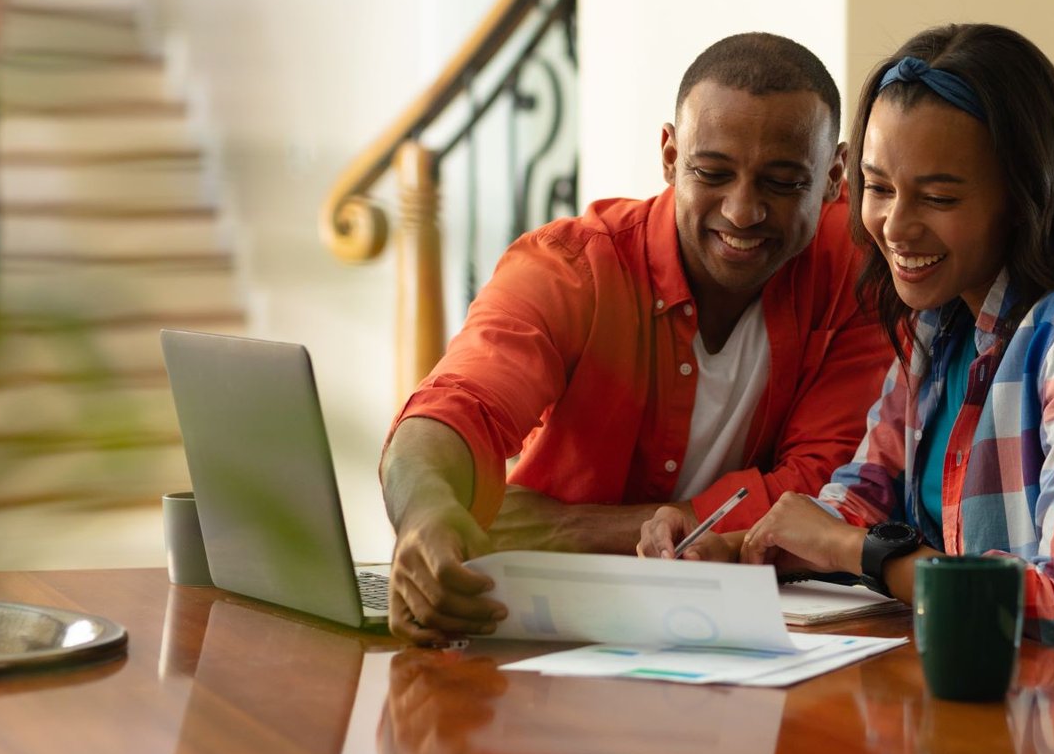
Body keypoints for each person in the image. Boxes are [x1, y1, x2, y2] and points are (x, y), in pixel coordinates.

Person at [639, 23, 1054, 690]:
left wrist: (860, 551)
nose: (894, 225)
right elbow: (861, 497)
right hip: (979, 724)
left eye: (939, 197)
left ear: (1025, 197)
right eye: (878, 187)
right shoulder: (935, 325)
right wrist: (738, 549)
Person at [383, 32, 893, 645]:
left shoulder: (858, 268)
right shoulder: (573, 268)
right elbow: (458, 404)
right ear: (670, 157)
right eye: (712, 172)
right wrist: (426, 513)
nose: (742, 211)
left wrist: (572, 530)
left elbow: (819, 489)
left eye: (782, 183)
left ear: (836, 175)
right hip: (543, 623)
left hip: (750, 639)